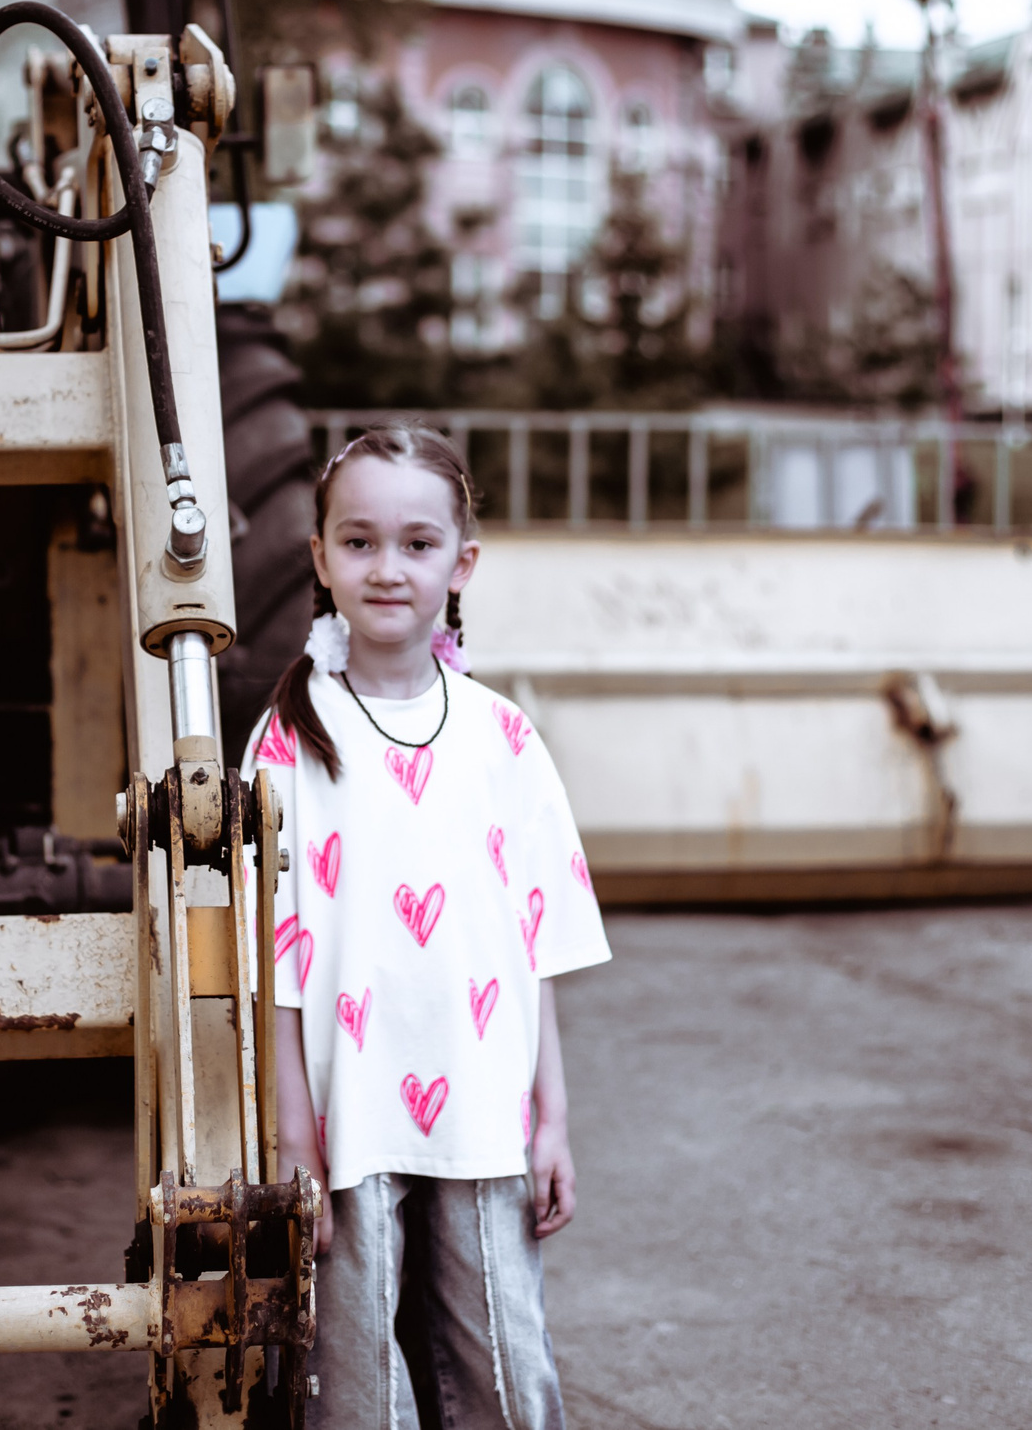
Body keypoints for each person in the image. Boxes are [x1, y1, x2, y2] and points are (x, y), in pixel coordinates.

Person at [243, 424, 609, 1430]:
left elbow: (536, 947)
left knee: (508, 1369)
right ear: (320, 558)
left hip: (485, 1111)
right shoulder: (285, 741)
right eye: (358, 542)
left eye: (417, 543)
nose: (387, 568)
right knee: (355, 1384)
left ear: (462, 563)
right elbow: (273, 961)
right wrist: (294, 1136)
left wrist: (552, 1118)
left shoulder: (502, 736)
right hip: (346, 1114)